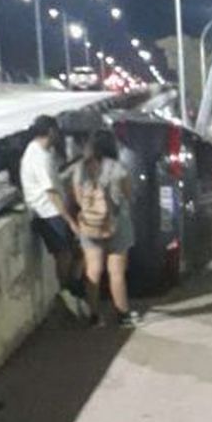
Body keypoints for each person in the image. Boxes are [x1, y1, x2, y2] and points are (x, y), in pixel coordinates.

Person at [20, 115, 87, 319]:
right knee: (65, 253)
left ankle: (71, 289)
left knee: (71, 252)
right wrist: (69, 220)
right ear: (51, 132)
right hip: (49, 212)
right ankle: (66, 289)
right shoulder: (39, 156)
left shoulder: (37, 151)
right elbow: (51, 192)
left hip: (49, 211)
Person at [71, 128, 139, 327]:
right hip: (117, 224)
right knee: (116, 271)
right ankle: (122, 314)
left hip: (89, 224)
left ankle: (94, 316)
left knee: (93, 270)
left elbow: (77, 198)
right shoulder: (118, 169)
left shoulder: (80, 169)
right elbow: (128, 195)